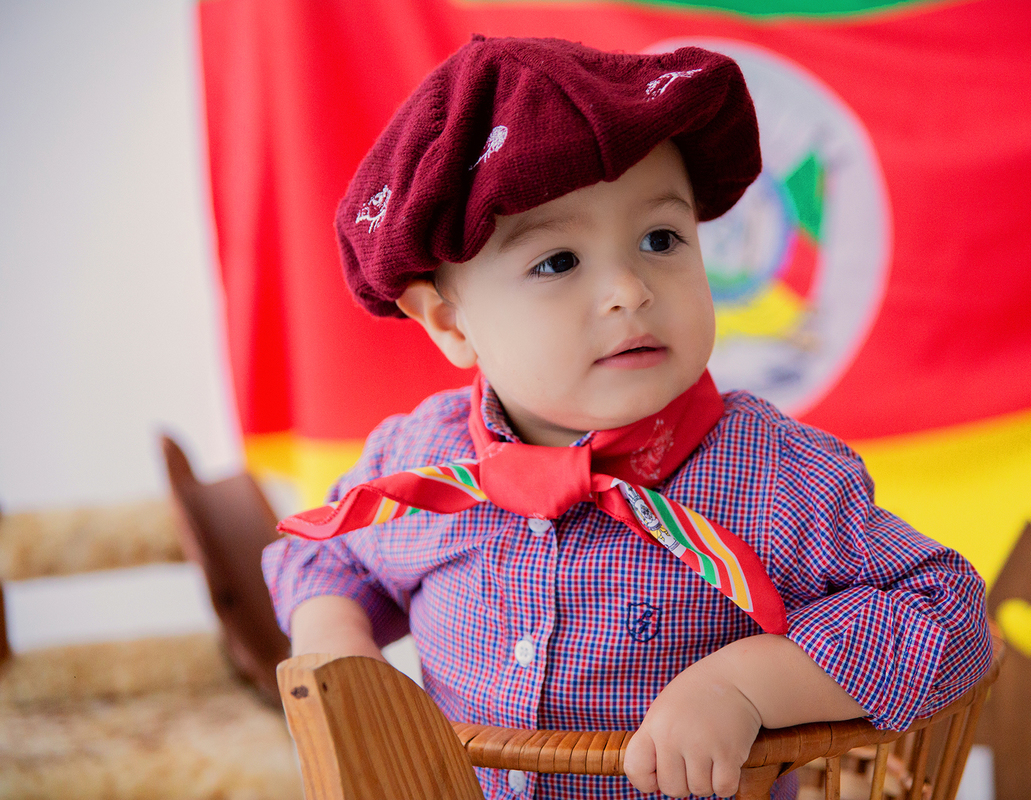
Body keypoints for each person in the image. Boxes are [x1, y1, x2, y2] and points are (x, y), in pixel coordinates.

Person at [263, 34, 991, 800]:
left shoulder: (775, 477)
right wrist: (339, 652)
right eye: (557, 262)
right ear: (449, 322)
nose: (629, 291)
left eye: (660, 240)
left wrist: (745, 688)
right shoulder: (417, 460)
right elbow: (324, 556)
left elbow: (945, 613)